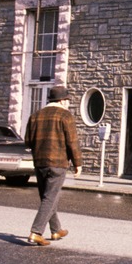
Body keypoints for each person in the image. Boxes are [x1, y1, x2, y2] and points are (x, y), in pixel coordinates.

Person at [25, 85, 81, 246]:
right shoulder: (65, 116)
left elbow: (28, 141)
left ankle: (56, 230)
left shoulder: (35, 116)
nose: (68, 104)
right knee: (50, 197)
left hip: (39, 162)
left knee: (47, 197)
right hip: (58, 162)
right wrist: (77, 163)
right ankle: (36, 232)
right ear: (62, 101)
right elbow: (72, 142)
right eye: (68, 100)